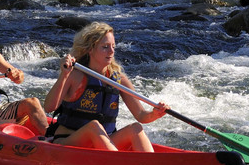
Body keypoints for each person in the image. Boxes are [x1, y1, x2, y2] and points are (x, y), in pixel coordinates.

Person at [43, 21, 168, 151]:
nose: (111, 51)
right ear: (90, 49)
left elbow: (141, 115)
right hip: (69, 141)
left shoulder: (119, 79)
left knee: (135, 128)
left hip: (104, 142)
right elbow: (49, 107)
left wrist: (155, 114)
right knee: (94, 127)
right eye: (105, 47)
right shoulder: (75, 75)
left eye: (113, 46)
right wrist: (64, 75)